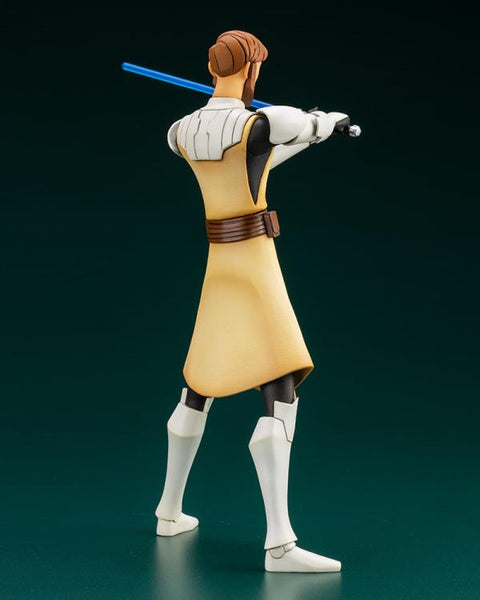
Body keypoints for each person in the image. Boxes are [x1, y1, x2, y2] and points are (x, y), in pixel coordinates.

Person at [155, 30, 349, 573]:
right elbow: (302, 126)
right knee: (280, 381)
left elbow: (251, 163)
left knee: (200, 382)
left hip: (219, 266)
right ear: (252, 70)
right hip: (255, 263)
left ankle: (169, 512)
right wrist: (327, 123)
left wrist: (307, 138)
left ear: (211, 67)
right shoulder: (265, 120)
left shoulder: (180, 132)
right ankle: (280, 544)